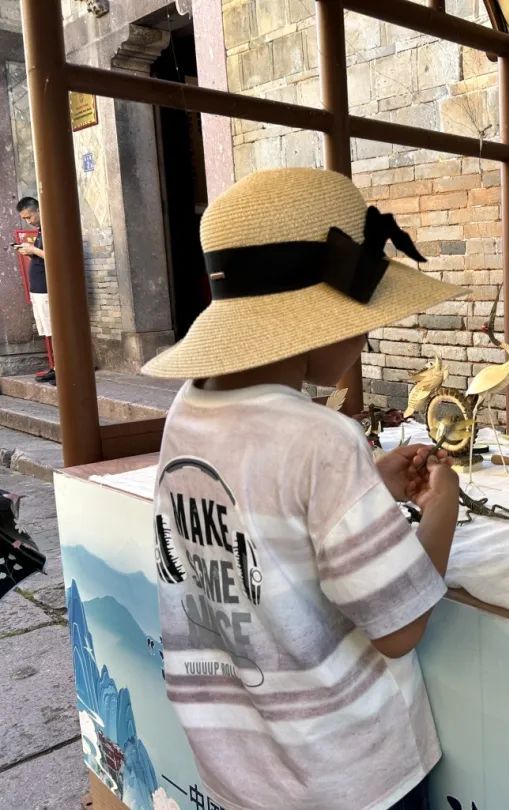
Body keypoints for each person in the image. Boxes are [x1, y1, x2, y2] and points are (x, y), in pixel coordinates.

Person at [143, 168, 465, 810]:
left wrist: (366, 488)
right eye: (362, 319)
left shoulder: (188, 411)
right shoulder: (322, 438)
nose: (367, 336)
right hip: (354, 777)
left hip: (240, 772)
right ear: (317, 320)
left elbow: (262, 530)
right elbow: (399, 629)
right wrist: (443, 510)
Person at [15, 197, 54, 383]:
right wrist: (30, 252)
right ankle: (55, 366)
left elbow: (55, 256)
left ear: (38, 210)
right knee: (47, 330)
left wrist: (33, 250)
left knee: (54, 330)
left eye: (29, 217)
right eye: (24, 219)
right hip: (38, 288)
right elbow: (42, 257)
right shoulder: (40, 230)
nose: (28, 222)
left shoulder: (51, 228)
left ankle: (63, 368)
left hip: (47, 287)